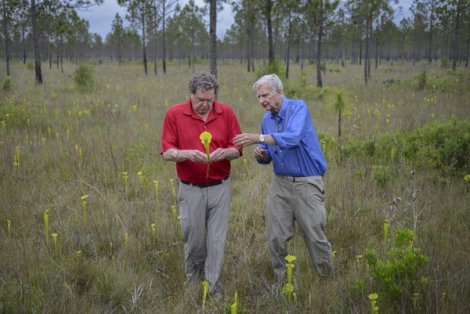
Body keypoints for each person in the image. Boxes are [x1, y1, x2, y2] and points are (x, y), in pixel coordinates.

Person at [233, 73, 333, 285]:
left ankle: (327, 282)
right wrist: (262, 154)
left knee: (314, 236)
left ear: (279, 92)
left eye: (266, 95)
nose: (262, 100)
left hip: (307, 182)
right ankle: (283, 282)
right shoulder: (266, 119)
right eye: (259, 97)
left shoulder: (298, 108)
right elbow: (270, 151)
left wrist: (257, 138)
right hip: (280, 184)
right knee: (275, 236)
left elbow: (292, 138)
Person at [160, 72, 242, 300]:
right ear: (190, 95)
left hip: (220, 188)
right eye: (200, 100)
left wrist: (226, 152)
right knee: (194, 240)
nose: (206, 105)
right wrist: (186, 154)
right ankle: (193, 286)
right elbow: (167, 152)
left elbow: (237, 148)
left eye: (210, 100)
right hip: (191, 189)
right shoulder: (175, 114)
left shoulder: (225, 112)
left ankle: (213, 289)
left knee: (216, 241)